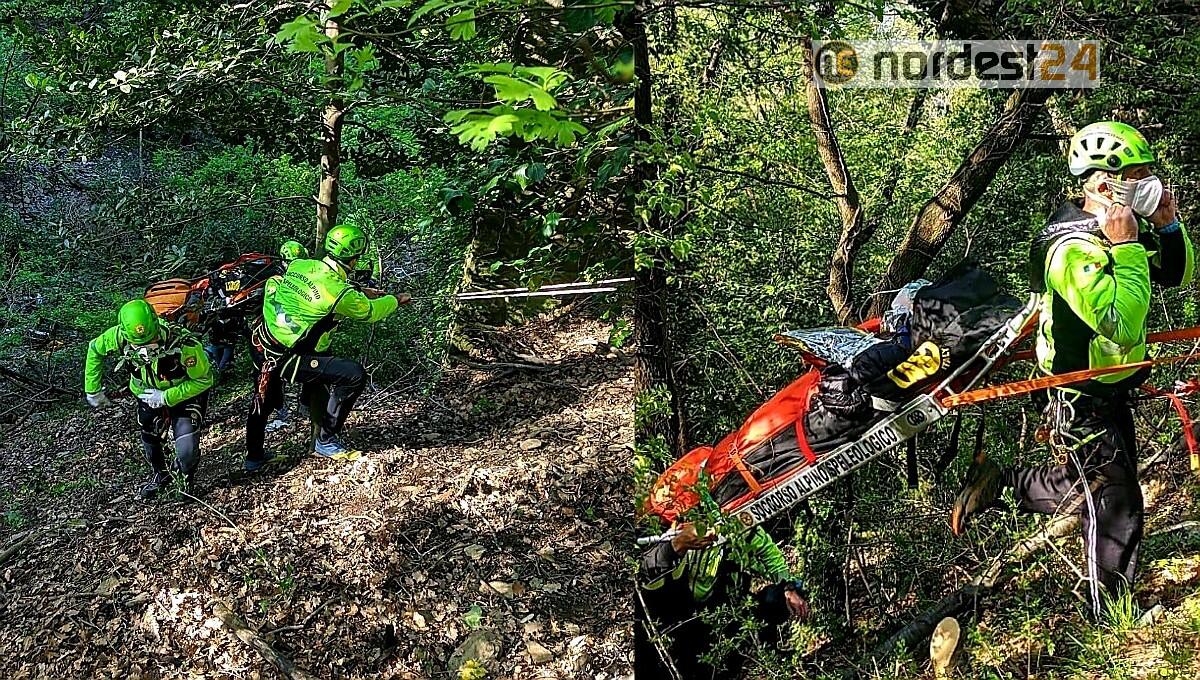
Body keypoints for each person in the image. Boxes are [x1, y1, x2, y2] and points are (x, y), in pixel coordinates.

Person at [951, 121, 1193, 617]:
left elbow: (1176, 276)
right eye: (1140, 175)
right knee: (1116, 500)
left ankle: (1002, 483)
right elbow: (1121, 324)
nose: (1151, 183)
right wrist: (1125, 248)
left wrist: (1168, 226)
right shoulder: (1071, 248)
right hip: (1076, 392)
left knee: (1085, 486)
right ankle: (1109, 613)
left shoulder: (1121, 228)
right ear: (1105, 184)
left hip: (1112, 386)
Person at [244, 224, 409, 469]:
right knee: (353, 375)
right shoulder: (340, 293)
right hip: (286, 358)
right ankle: (326, 440)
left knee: (263, 401)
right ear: (353, 260)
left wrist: (363, 290)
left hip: (262, 343)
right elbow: (370, 312)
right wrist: (395, 300)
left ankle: (254, 457)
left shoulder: (301, 265)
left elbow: (319, 291)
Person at [636, 522, 810, 679]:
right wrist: (676, 545)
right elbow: (647, 572)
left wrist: (788, 588)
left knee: (774, 598)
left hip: (720, 606)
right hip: (677, 610)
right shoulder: (670, 525)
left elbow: (770, 555)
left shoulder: (741, 522)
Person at [84, 299, 215, 499]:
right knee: (150, 433)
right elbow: (95, 349)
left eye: (150, 340)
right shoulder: (118, 337)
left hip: (184, 394)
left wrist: (167, 396)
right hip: (145, 392)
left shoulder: (184, 344)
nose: (145, 348)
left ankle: (185, 479)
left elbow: (204, 380)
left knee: (187, 451)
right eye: (139, 344)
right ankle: (161, 476)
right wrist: (92, 389)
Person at [263, 240, 310, 433]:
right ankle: (299, 405)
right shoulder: (291, 283)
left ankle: (288, 408)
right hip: (291, 338)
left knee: (272, 373)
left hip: (275, 340)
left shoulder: (274, 281)